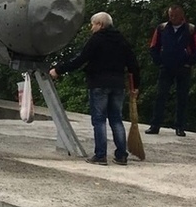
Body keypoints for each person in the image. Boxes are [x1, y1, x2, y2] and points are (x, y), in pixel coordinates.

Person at [49, 12, 141, 166]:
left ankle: (100, 155)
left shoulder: (96, 40)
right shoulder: (121, 40)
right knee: (116, 119)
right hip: (118, 85)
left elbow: (80, 59)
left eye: (93, 24)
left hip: (99, 84)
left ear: (100, 24)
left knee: (99, 120)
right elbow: (133, 65)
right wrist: (136, 85)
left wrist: (58, 70)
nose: (91, 28)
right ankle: (121, 155)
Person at [146, 4, 196, 137]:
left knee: (182, 97)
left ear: (182, 16)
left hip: (183, 68)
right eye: (170, 15)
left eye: (175, 15)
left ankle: (180, 127)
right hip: (166, 67)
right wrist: (159, 61)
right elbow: (153, 46)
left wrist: (189, 62)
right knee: (160, 96)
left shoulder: (191, 29)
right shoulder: (161, 28)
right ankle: (155, 125)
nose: (172, 18)